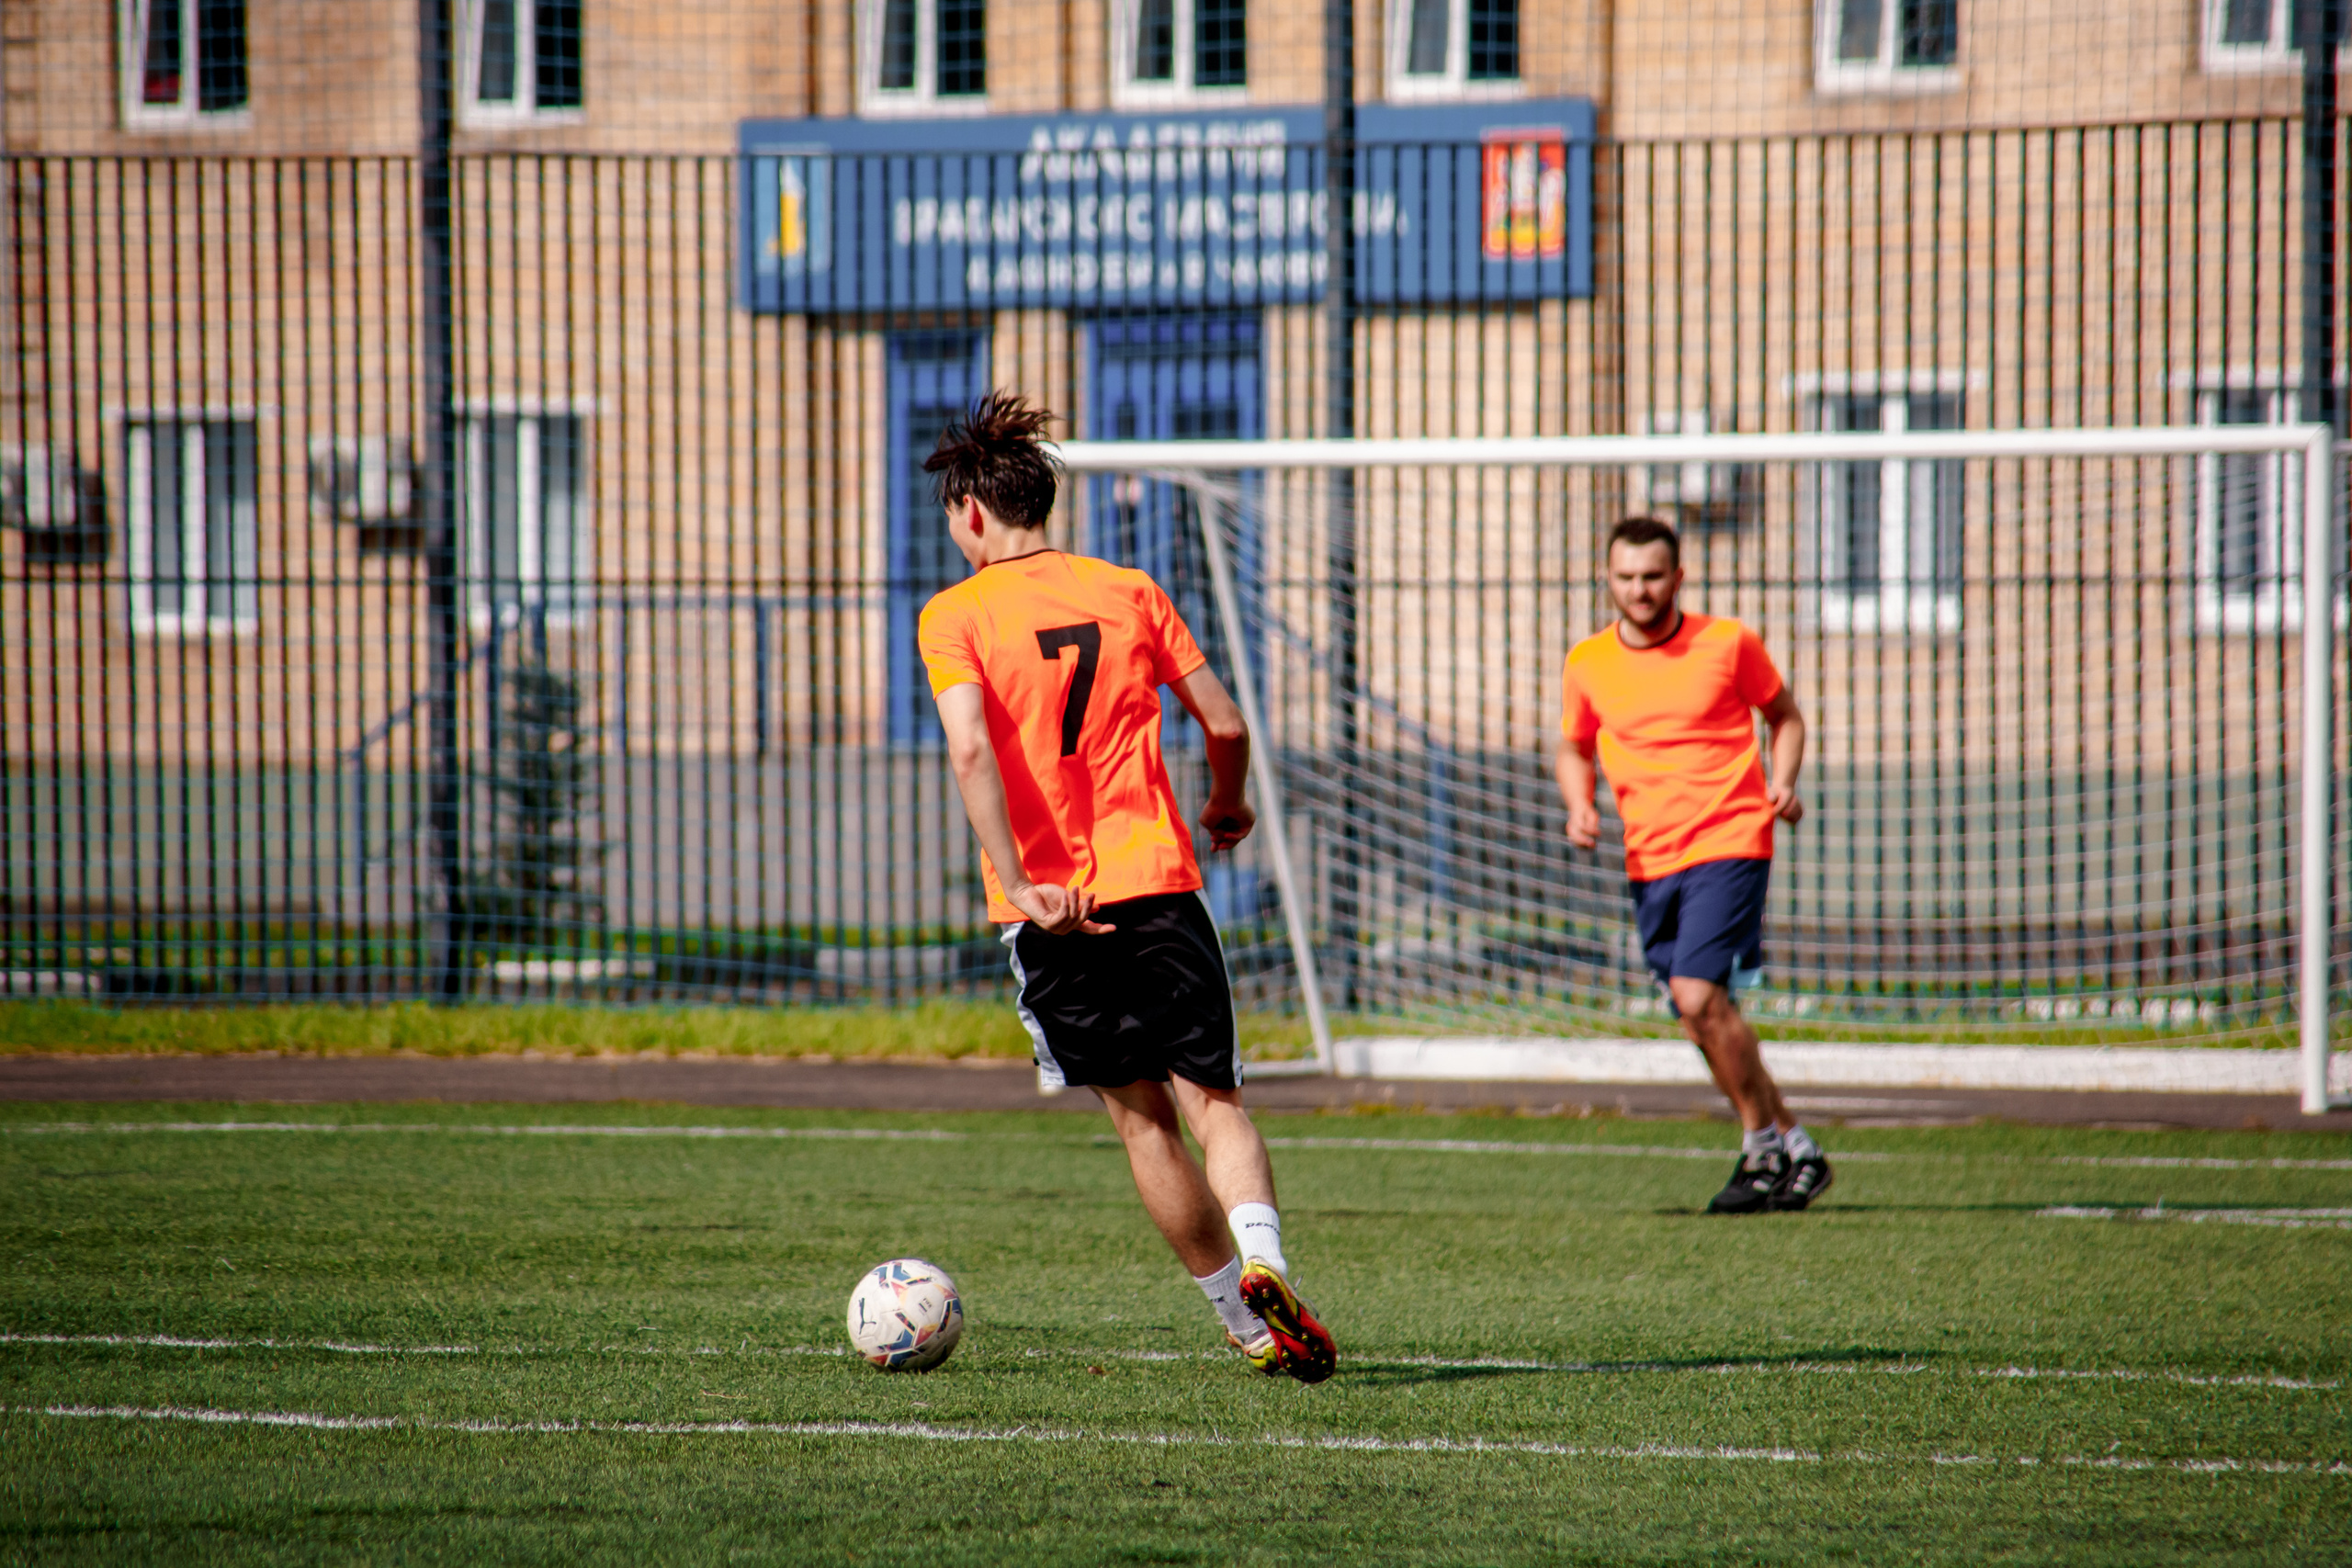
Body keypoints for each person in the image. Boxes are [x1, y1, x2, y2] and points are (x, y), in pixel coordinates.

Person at [916, 389, 1338, 1382]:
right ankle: (1268, 1262)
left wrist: (1023, 884)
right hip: (1156, 884)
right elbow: (1225, 724)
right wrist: (1224, 808)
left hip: (1053, 912)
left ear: (972, 511)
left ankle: (1243, 1323)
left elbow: (971, 748)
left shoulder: (955, 615)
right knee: (1215, 1103)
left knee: (1140, 1118)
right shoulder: (1128, 590)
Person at [1556, 516, 1833, 1213]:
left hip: (1731, 837)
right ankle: (1797, 1148)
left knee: (1696, 995)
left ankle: (1758, 1146)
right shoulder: (1587, 660)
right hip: (1651, 854)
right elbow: (1574, 745)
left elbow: (1786, 716)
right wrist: (1579, 804)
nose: (1639, 589)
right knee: (1703, 1016)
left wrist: (1785, 777)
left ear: (1678, 578)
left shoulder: (1727, 642)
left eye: (1653, 576)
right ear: (1608, 579)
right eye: (1625, 577)